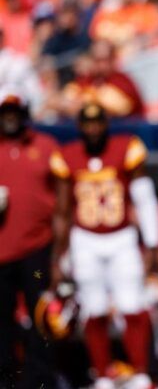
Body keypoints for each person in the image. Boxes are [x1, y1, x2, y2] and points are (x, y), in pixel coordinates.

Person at [50, 103, 158, 389]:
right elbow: (62, 212)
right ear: (79, 127)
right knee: (93, 308)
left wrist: (151, 244)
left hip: (122, 237)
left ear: (106, 123)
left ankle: (140, 373)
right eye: (87, 123)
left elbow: (144, 198)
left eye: (98, 122)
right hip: (85, 240)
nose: (93, 128)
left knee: (133, 305)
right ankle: (101, 375)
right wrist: (58, 257)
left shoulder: (126, 148)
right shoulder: (67, 156)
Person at [0, 92, 58, 388]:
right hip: (1, 253)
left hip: (37, 248)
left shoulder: (45, 146)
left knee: (40, 315)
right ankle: (5, 378)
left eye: (14, 110)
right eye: (4, 111)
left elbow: (63, 198)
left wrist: (62, 250)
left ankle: (39, 379)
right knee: (1, 320)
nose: (9, 117)